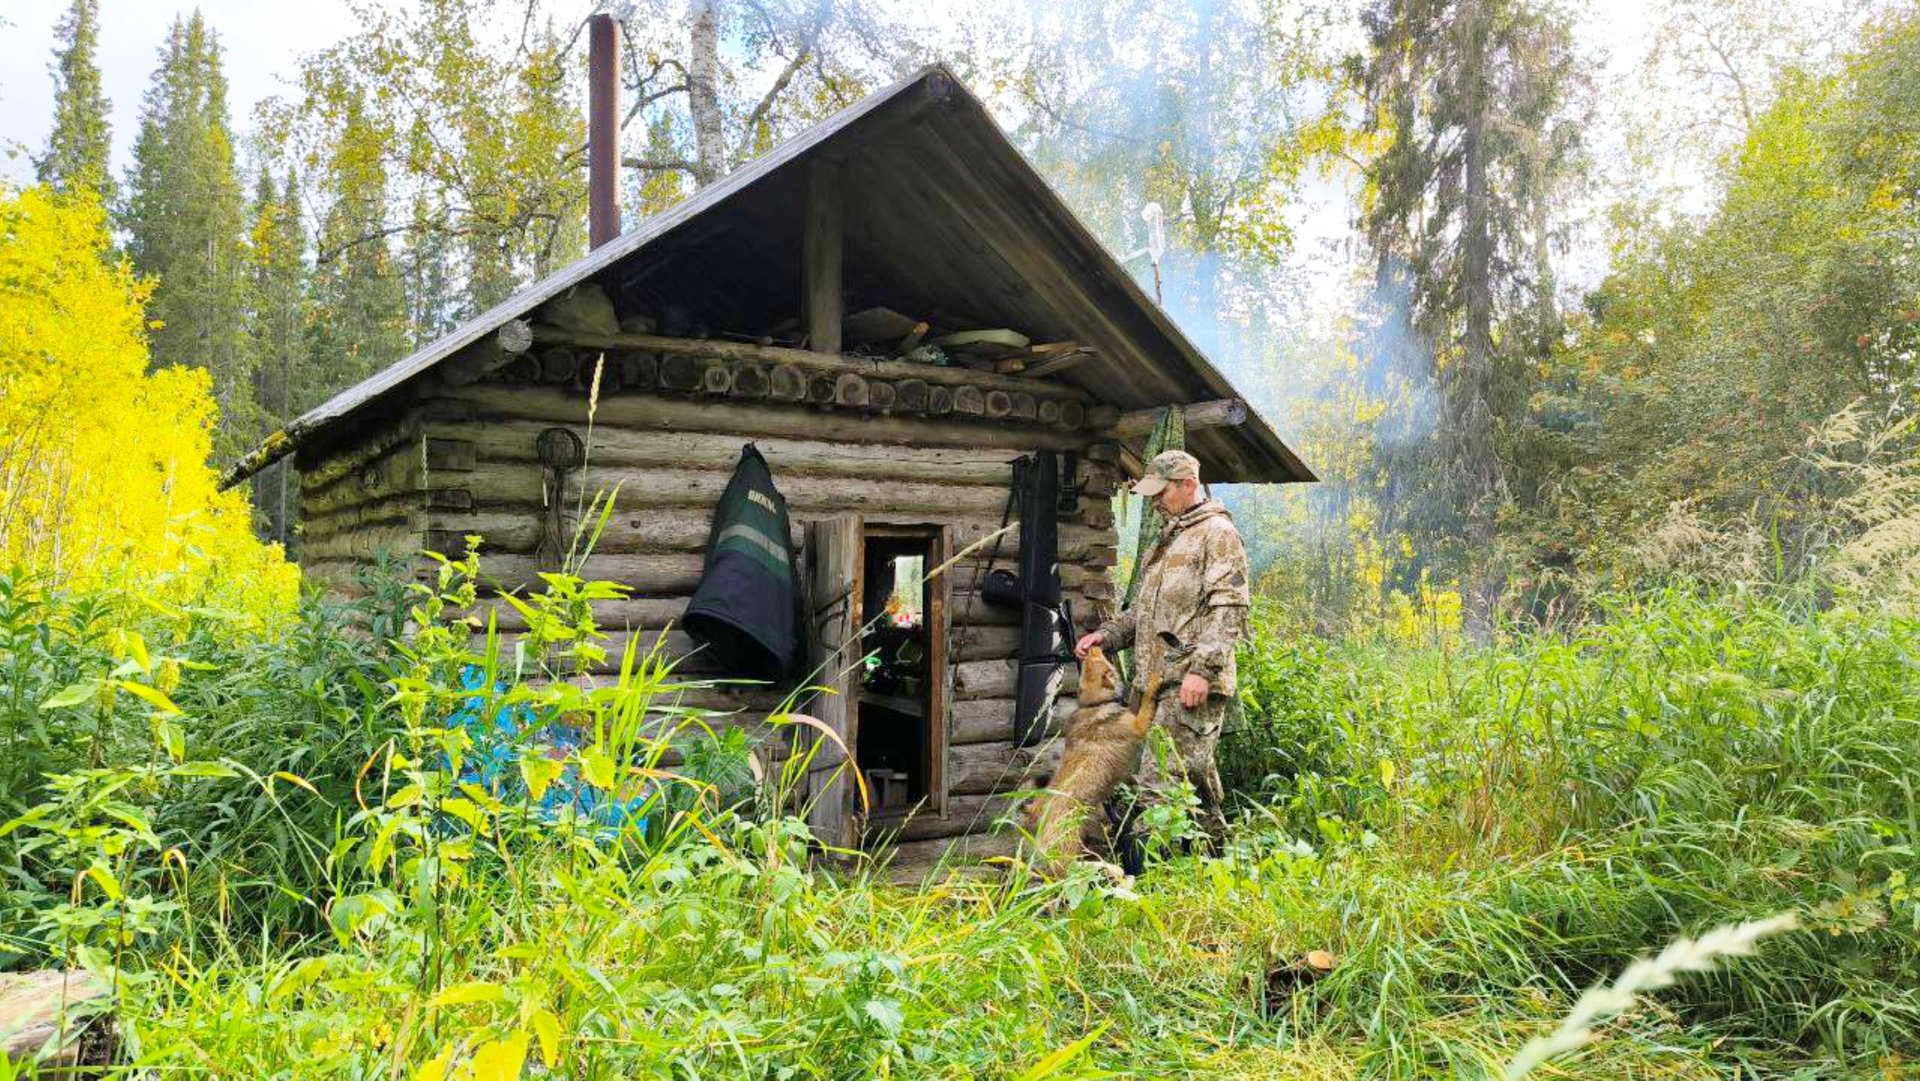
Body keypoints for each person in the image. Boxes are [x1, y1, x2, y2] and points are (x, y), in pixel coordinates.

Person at [1074, 449, 1250, 848]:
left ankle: (1156, 891)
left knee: (1158, 790)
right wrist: (1107, 635)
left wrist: (1201, 672)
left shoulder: (1216, 534)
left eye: (1162, 491)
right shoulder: (1171, 539)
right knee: (1194, 788)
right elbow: (1143, 611)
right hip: (1156, 685)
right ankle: (1220, 867)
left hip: (1185, 685)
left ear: (1189, 485)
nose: (1155, 501)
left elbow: (1230, 607)